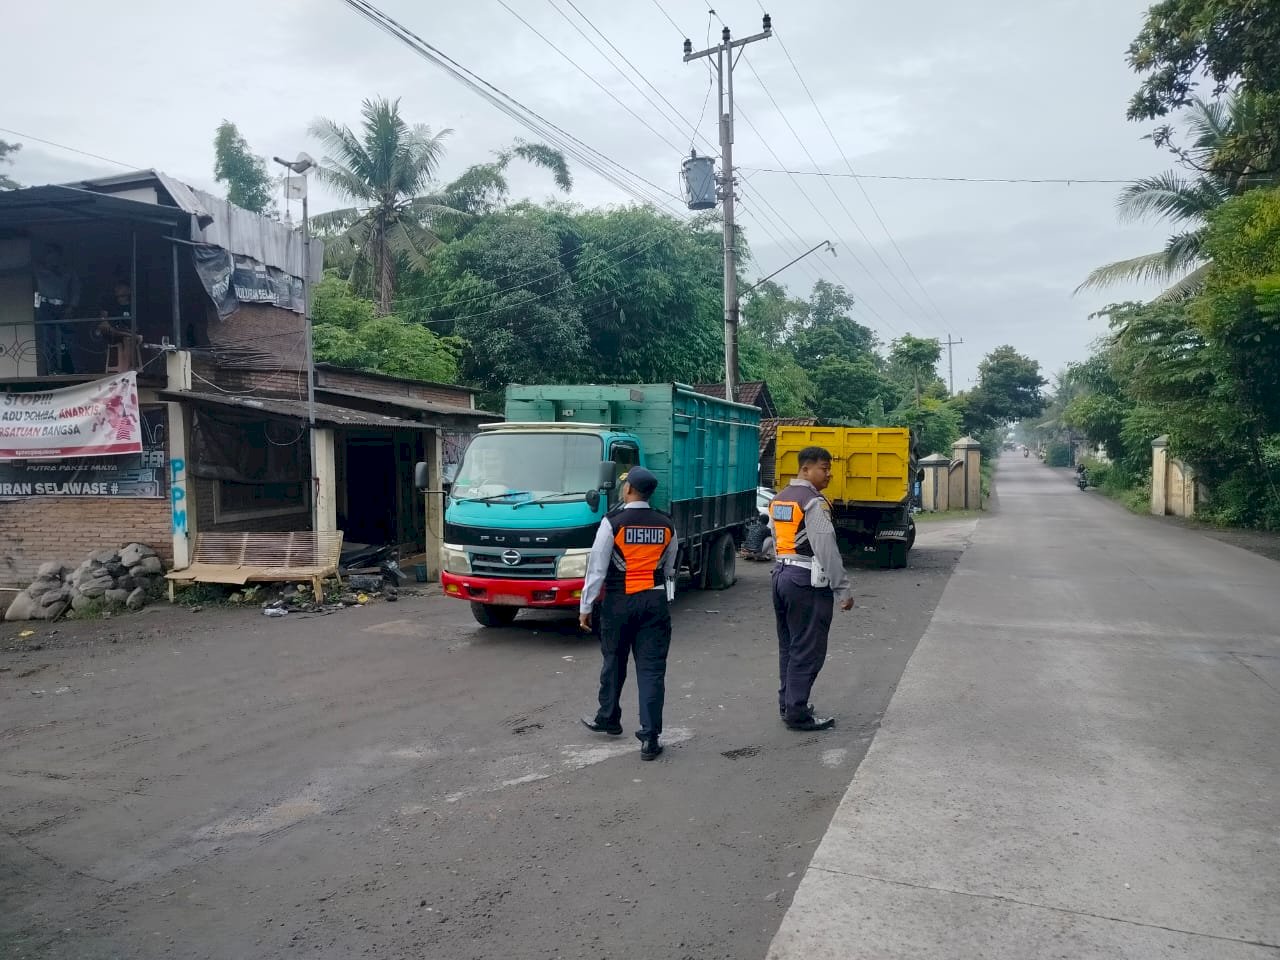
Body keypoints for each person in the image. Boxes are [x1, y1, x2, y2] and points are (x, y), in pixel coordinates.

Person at [579, 466, 677, 760]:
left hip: (619, 603)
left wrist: (585, 606)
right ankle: (650, 738)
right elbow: (670, 566)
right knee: (651, 671)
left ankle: (608, 718)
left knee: (614, 661)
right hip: (654, 602)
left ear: (629, 489)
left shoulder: (613, 522)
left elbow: (596, 567)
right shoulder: (666, 523)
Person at [770, 446, 854, 731]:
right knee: (808, 649)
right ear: (805, 470)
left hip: (781, 575)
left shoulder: (779, 499)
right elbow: (826, 549)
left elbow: (776, 538)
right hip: (806, 580)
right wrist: (843, 589)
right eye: (823, 468)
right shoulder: (813, 503)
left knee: (790, 646)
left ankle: (790, 702)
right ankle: (797, 713)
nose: (829, 474)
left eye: (829, 468)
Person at [34, 244, 81, 374]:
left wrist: (72, 306)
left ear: (60, 256)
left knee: (69, 338)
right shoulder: (39, 270)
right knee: (48, 339)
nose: (51, 258)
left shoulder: (68, 271)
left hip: (63, 306)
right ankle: (52, 370)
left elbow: (76, 289)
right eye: (49, 255)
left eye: (54, 255)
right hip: (45, 307)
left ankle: (75, 369)